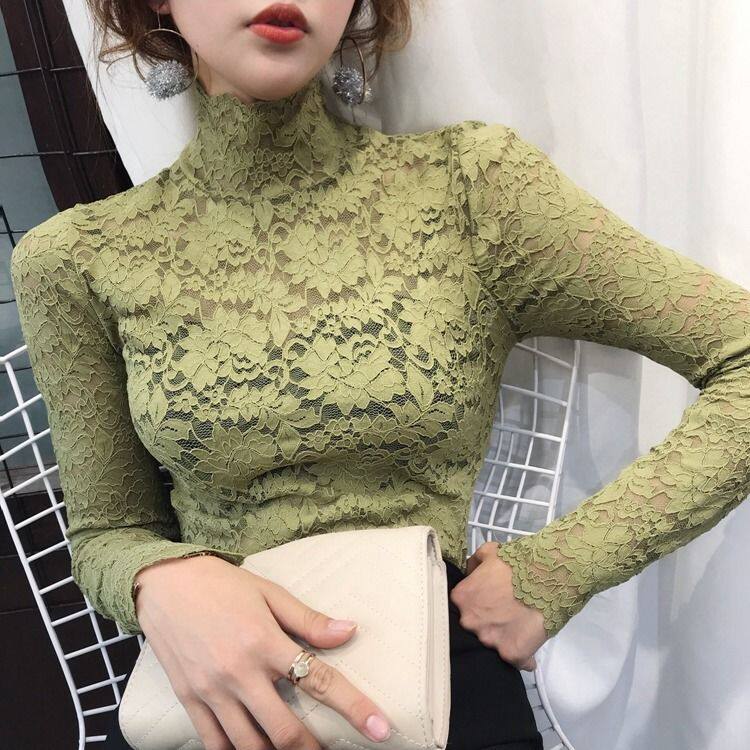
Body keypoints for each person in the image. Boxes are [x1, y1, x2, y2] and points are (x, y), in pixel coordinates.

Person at [10, 0, 750, 748]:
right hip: (220, 697)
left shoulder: (468, 189)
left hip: (437, 687)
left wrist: (555, 571)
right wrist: (160, 581)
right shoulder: (79, 259)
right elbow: (108, 529)